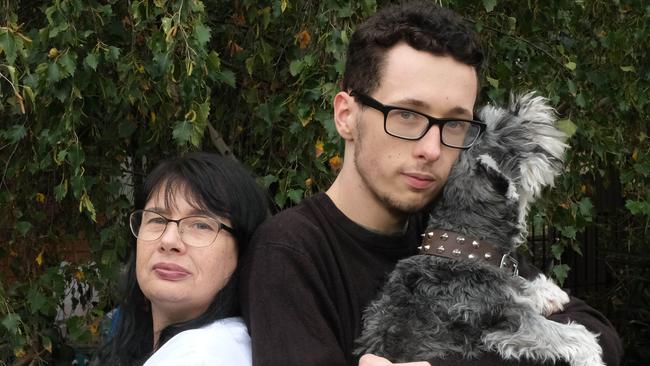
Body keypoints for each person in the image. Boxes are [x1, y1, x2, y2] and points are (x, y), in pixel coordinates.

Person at [239, 2, 623, 366]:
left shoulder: (454, 228)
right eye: (407, 115)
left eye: (455, 123)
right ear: (345, 115)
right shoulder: (291, 252)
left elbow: (599, 337)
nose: (433, 149)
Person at [93, 152, 268, 365]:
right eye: (157, 219)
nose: (168, 240)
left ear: (242, 250)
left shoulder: (204, 354)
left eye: (201, 224)